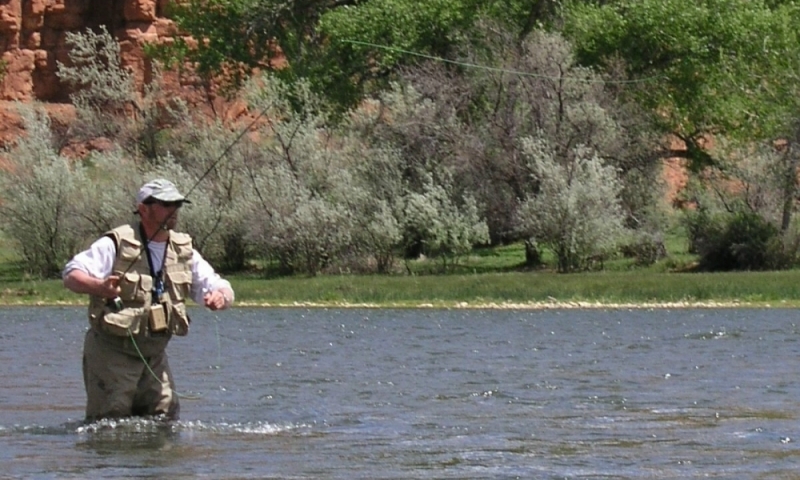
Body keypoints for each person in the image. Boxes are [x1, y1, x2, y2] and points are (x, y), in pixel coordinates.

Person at [63, 178, 235, 423]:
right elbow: (71, 274)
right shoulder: (116, 242)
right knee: (109, 422)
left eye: (177, 204)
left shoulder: (184, 250)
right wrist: (98, 287)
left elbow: (220, 285)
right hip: (111, 352)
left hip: (154, 355)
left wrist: (220, 297)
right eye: (166, 204)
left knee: (164, 418)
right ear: (143, 209)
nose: (173, 210)